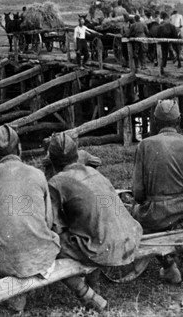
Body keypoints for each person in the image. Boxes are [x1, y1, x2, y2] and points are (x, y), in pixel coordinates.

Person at [0, 125, 60, 312]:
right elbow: (48, 222)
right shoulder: (38, 174)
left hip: (5, 255)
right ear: (20, 148)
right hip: (41, 255)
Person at [47, 133, 143, 311]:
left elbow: (52, 225)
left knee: (50, 244)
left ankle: (87, 295)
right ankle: (94, 285)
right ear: (77, 155)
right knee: (90, 228)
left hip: (103, 248)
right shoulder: (94, 172)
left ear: (53, 161)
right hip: (131, 239)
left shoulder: (56, 182)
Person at [132, 99, 183, 283]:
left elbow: (138, 192)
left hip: (154, 213)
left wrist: (143, 202)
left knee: (134, 213)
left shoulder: (144, 145)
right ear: (179, 120)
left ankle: (168, 266)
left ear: (156, 122)